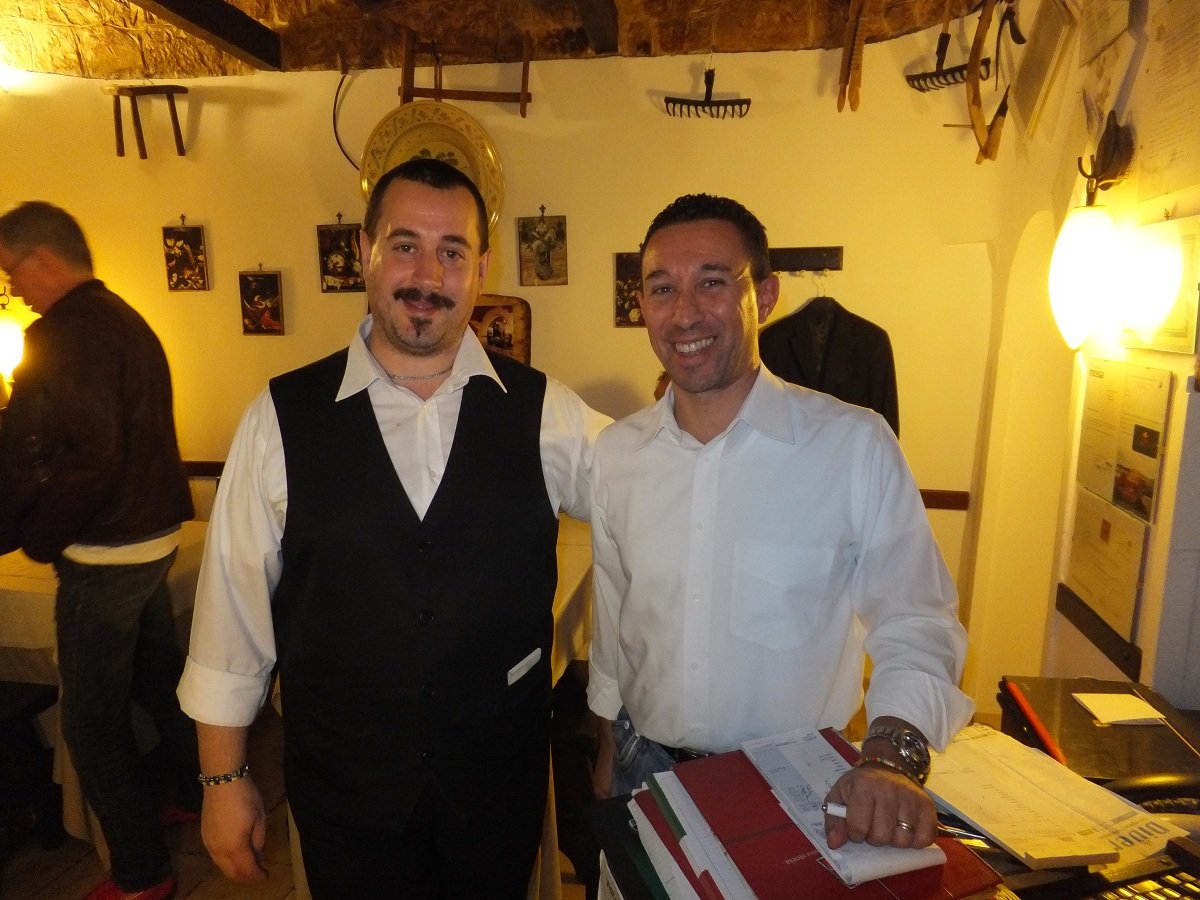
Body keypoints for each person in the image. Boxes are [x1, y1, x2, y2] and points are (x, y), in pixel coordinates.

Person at [177, 157, 608, 898]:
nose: (427, 275)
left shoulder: (549, 414)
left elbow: (656, 505)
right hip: (347, 797)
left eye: (452, 251)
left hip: (495, 791)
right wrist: (223, 779)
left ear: (481, 268)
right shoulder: (280, 419)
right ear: (365, 252)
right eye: (405, 245)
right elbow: (229, 619)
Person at [586, 193, 974, 852]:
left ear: (763, 297)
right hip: (642, 769)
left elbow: (918, 620)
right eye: (662, 288)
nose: (684, 313)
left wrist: (889, 756)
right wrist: (606, 742)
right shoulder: (617, 454)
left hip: (795, 785)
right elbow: (616, 611)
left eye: (712, 282)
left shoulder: (853, 446)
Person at [0, 201, 199, 900]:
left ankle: (143, 873)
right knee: (159, 683)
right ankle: (191, 797)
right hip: (151, 537)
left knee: (89, 724)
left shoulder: (70, 333)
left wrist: (38, 537)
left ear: (42, 258)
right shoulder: (119, 316)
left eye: (13, 274)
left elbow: (88, 462)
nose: (13, 291)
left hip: (106, 552)